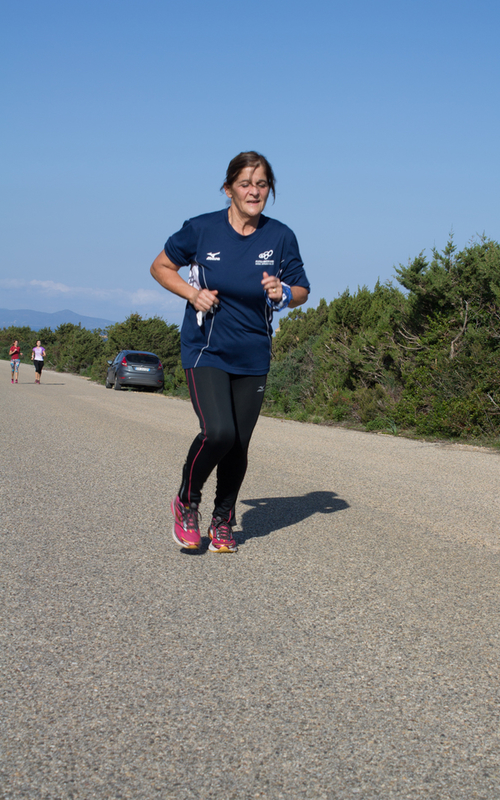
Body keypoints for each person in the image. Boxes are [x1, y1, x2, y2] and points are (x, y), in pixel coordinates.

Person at [150, 151, 310, 553]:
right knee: (218, 432)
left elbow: (302, 290)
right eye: (245, 183)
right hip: (206, 349)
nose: (254, 191)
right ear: (228, 189)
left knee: (239, 443)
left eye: (261, 184)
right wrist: (193, 293)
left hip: (254, 353)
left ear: (269, 189)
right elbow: (160, 267)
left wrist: (284, 292)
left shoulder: (280, 236)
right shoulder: (202, 229)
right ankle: (187, 502)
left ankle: (223, 519)